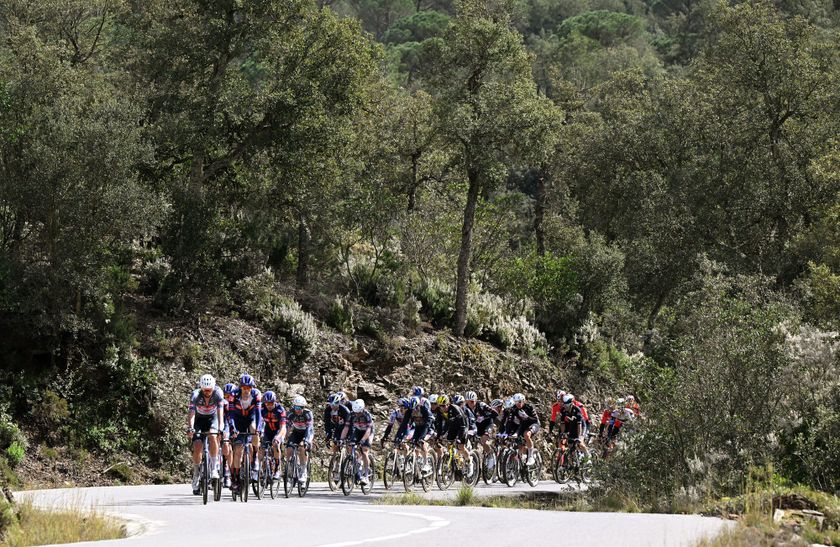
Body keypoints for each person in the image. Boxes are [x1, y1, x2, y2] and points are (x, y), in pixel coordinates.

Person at [187, 374, 224, 495]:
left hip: (213, 419)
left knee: (213, 436)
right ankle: (196, 473)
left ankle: (214, 468)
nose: (207, 392)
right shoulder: (196, 395)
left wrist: (221, 428)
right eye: (205, 390)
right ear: (201, 388)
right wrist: (191, 428)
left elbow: (220, 413)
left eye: (209, 390)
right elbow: (191, 414)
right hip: (199, 420)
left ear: (213, 388)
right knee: (197, 446)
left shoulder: (218, 393)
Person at [227, 373, 262, 492]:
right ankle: (236, 479)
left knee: (254, 430)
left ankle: (255, 456)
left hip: (250, 418)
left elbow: (259, 414)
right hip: (237, 420)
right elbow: (230, 414)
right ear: (240, 387)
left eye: (249, 388)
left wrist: (259, 428)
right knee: (237, 450)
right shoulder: (233, 395)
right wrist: (233, 428)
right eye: (244, 388)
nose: (246, 390)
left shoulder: (256, 394)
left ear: (252, 388)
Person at [396, 395, 434, 473]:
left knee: (422, 442)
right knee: (414, 443)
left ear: (419, 405)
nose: (414, 410)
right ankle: (416, 464)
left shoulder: (424, 410)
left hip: (428, 428)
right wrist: (398, 437)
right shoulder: (410, 411)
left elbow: (427, 425)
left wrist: (422, 438)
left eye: (416, 408)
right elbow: (404, 425)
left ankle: (426, 463)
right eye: (412, 409)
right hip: (418, 428)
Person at [341, 399, 375, 485]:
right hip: (358, 430)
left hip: (368, 432)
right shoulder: (351, 414)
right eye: (355, 412)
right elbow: (346, 428)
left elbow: (368, 430)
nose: (357, 414)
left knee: (364, 451)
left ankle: (366, 476)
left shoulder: (367, 415)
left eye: (358, 413)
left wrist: (363, 441)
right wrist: (341, 439)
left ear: (362, 409)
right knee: (350, 445)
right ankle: (356, 462)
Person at [285, 395, 314, 483]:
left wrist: (306, 440)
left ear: (303, 407)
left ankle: (303, 470)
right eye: (296, 407)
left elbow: (309, 428)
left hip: (306, 432)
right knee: (289, 448)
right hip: (296, 432)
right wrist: (285, 436)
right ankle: (290, 467)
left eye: (300, 408)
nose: (297, 409)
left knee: (302, 447)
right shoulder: (290, 413)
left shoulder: (307, 413)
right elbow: (288, 426)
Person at [259, 391, 287, 480]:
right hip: (267, 430)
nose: (269, 405)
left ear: (275, 402)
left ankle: (277, 469)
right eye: (267, 403)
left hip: (278, 430)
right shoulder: (261, 409)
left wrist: (278, 437)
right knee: (262, 448)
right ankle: (262, 470)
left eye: (271, 403)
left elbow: (283, 427)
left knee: (275, 444)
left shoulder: (280, 410)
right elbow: (258, 422)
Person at [510, 393, 540, 465]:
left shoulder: (529, 407)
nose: (518, 404)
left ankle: (531, 457)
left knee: (526, 435)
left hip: (534, 424)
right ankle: (526, 455)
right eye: (516, 402)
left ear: (523, 401)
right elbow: (510, 422)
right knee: (520, 445)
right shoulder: (514, 408)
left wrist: (527, 417)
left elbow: (535, 419)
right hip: (523, 426)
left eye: (520, 402)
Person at [445, 394, 472, 474]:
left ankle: (469, 462)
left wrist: (468, 432)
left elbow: (470, 422)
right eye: (456, 404)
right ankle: (455, 462)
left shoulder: (466, 410)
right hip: (455, 427)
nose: (458, 406)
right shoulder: (451, 410)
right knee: (449, 444)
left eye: (460, 404)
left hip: (464, 427)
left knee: (460, 446)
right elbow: (448, 423)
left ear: (463, 403)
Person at [559, 394, 588, 458]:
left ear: (571, 403)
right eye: (564, 404)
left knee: (580, 442)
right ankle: (576, 460)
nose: (565, 406)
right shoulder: (563, 410)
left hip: (581, 426)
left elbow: (579, 425)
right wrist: (563, 433)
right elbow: (562, 423)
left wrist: (579, 437)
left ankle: (588, 457)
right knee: (570, 445)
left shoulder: (577, 410)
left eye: (567, 404)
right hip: (572, 426)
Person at [220, 383, 237, 488]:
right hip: (224, 424)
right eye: (226, 396)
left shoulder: (238, 403)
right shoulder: (223, 403)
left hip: (235, 425)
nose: (228, 398)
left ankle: (229, 473)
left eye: (230, 396)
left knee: (231, 447)